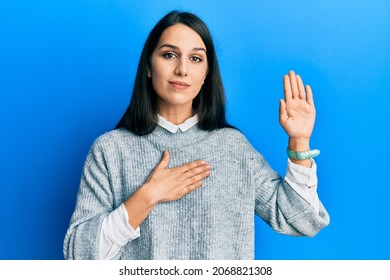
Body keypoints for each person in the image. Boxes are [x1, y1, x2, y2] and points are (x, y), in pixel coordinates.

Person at [63, 10, 330, 260]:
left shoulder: (233, 147)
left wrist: (299, 141)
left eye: (195, 58)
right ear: (148, 66)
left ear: (206, 74)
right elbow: (78, 255)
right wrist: (147, 196)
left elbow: (303, 220)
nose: (182, 69)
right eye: (169, 55)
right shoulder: (110, 150)